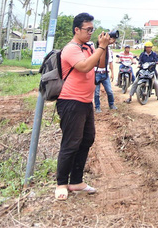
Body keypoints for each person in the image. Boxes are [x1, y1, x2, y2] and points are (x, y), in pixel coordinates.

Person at [55, 12, 111, 201]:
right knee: (70, 143)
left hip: (86, 102)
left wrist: (104, 47)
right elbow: (85, 67)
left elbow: (100, 65)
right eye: (87, 30)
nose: (90, 33)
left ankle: (76, 181)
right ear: (76, 29)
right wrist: (100, 47)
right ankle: (61, 183)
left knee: (87, 139)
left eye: (92, 30)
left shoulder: (88, 47)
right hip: (71, 101)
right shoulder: (70, 49)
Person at [93, 36, 117, 113]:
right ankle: (97, 107)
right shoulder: (95, 50)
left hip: (105, 73)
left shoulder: (108, 51)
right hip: (97, 73)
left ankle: (111, 104)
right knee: (96, 92)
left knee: (109, 91)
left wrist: (112, 73)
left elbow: (110, 62)